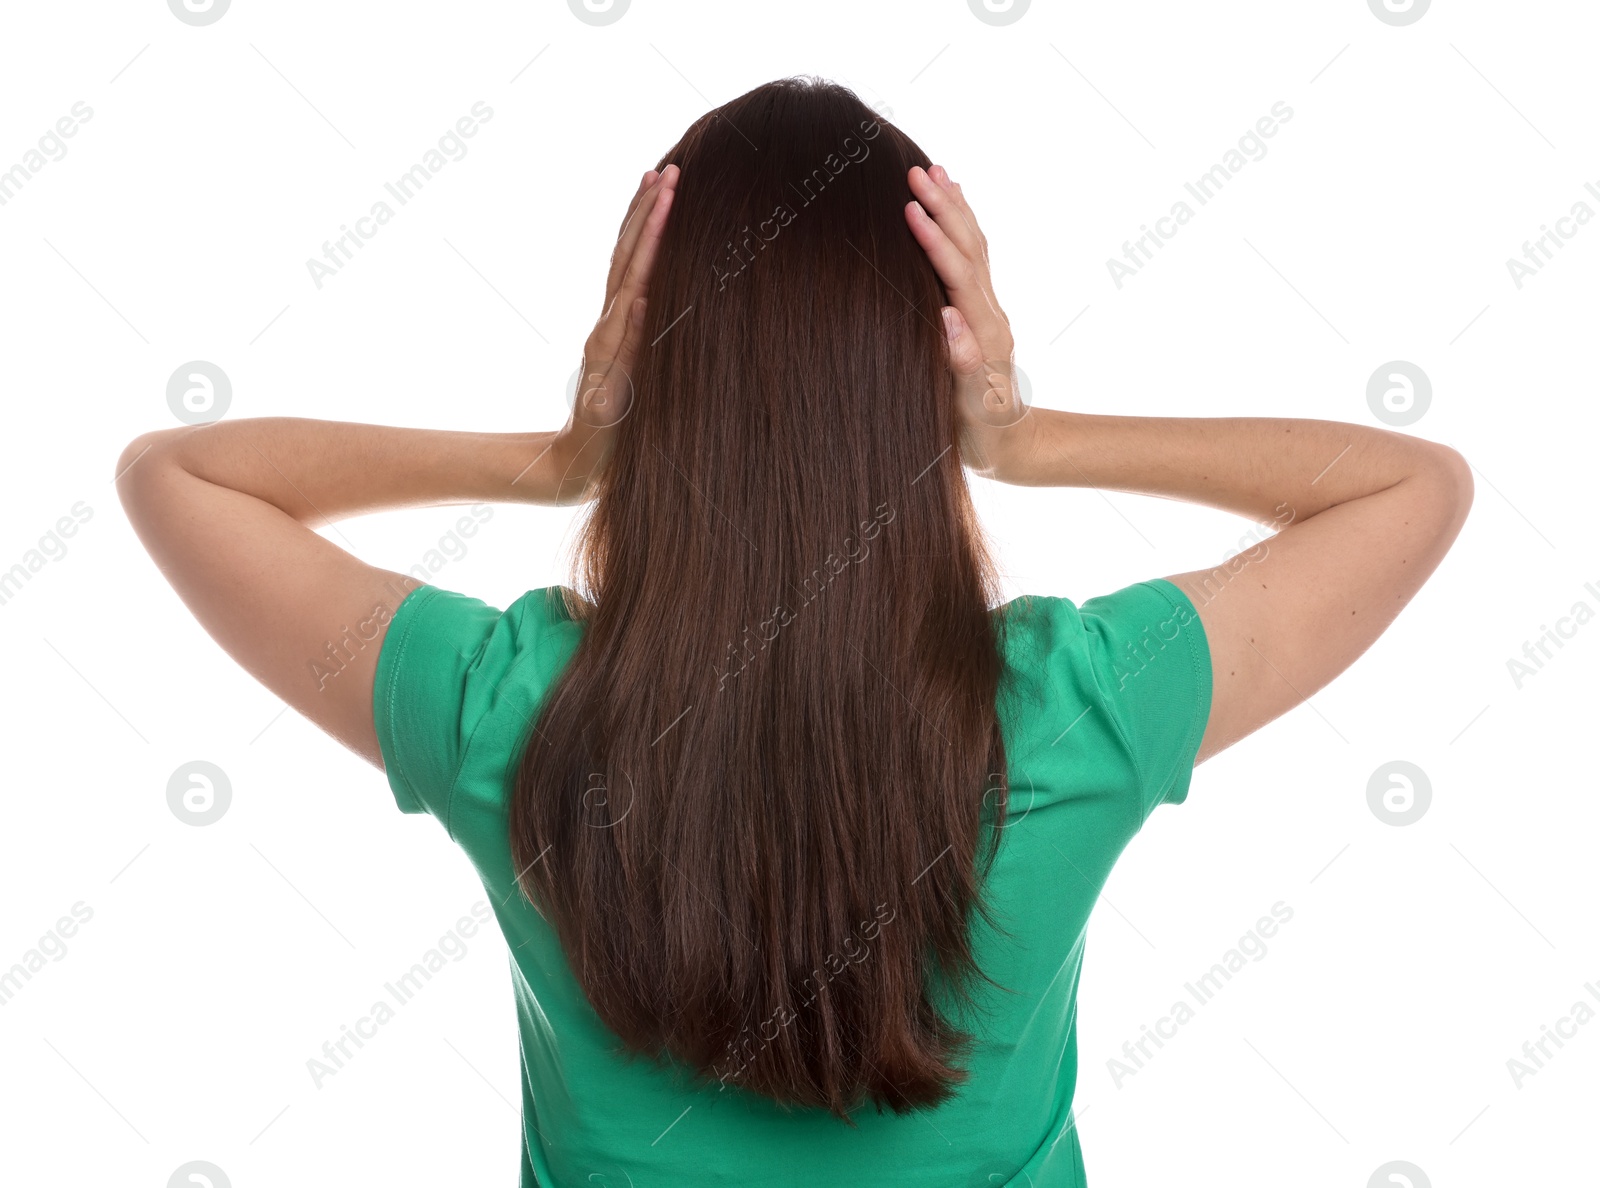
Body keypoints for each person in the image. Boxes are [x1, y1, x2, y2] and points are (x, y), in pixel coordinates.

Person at [115, 78, 1472, 1187]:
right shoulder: (1076, 710)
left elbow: (177, 479)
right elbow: (1413, 487)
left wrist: (564, 451)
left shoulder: (508, 713)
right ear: (915, 395)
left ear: (664, 382)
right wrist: (1021, 429)